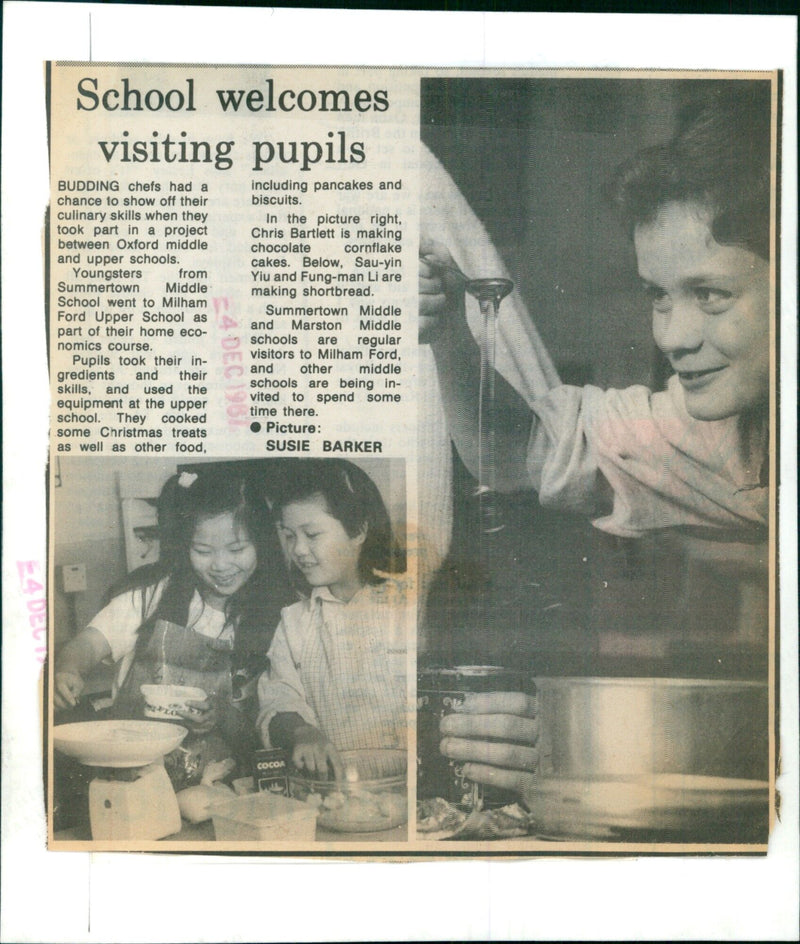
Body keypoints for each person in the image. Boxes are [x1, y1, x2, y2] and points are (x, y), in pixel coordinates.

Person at [419, 88, 773, 801]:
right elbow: (518, 454)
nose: (671, 337)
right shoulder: (713, 427)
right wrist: (448, 329)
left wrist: (583, 742)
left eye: (710, 296)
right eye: (657, 296)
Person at [53, 467, 290, 783]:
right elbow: (88, 644)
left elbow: (261, 729)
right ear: (183, 546)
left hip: (222, 785)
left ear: (261, 544)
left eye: (237, 550)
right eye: (203, 551)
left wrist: (220, 717)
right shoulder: (151, 597)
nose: (220, 565)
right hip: (133, 777)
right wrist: (69, 670)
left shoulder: (275, 616)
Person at [257, 459, 408, 779]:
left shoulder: (409, 609)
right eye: (288, 535)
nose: (298, 550)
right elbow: (278, 698)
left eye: (311, 534)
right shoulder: (294, 623)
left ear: (359, 530)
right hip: (333, 795)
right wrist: (302, 732)